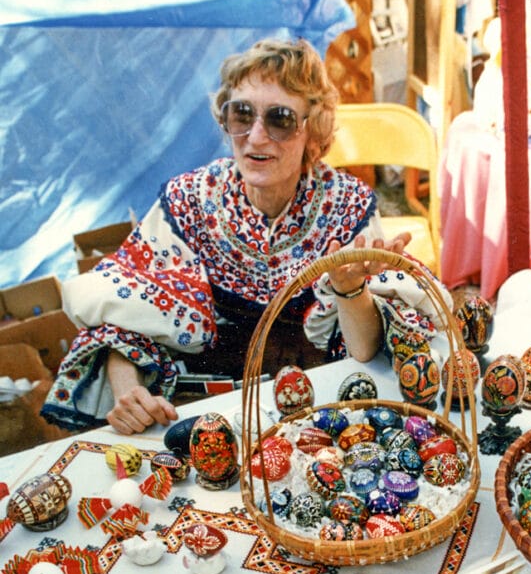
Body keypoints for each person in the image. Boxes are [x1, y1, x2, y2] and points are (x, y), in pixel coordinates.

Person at [42, 38, 450, 435]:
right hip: (207, 412)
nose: (255, 137)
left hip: (317, 415)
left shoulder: (348, 205)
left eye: (280, 119)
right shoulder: (190, 200)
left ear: (313, 130)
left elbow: (362, 351)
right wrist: (129, 392)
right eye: (241, 115)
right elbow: (121, 315)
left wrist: (350, 291)